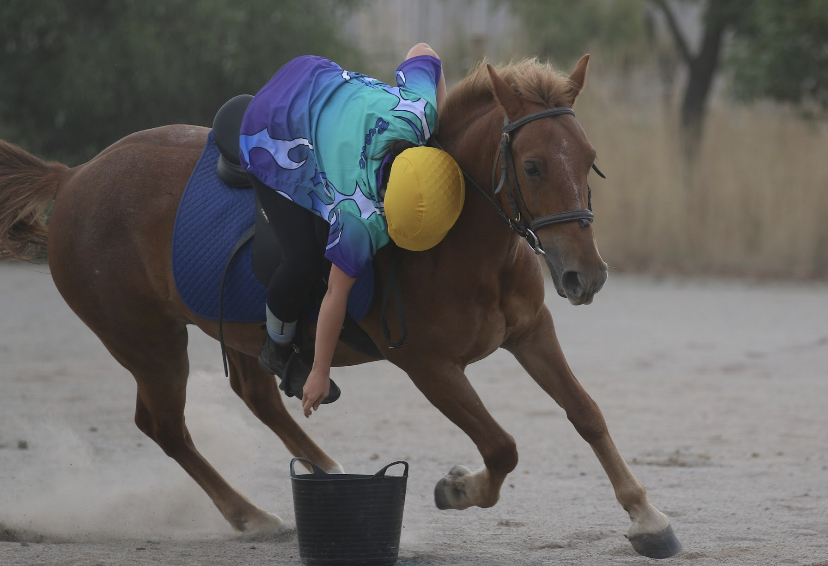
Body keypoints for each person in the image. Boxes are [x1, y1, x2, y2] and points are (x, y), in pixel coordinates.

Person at [239, 43, 453, 418]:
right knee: (303, 261)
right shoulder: (360, 216)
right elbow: (335, 295)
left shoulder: (419, 113)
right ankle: (277, 346)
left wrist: (444, 130)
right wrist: (320, 372)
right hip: (270, 123)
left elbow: (423, 50)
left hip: (310, 72)